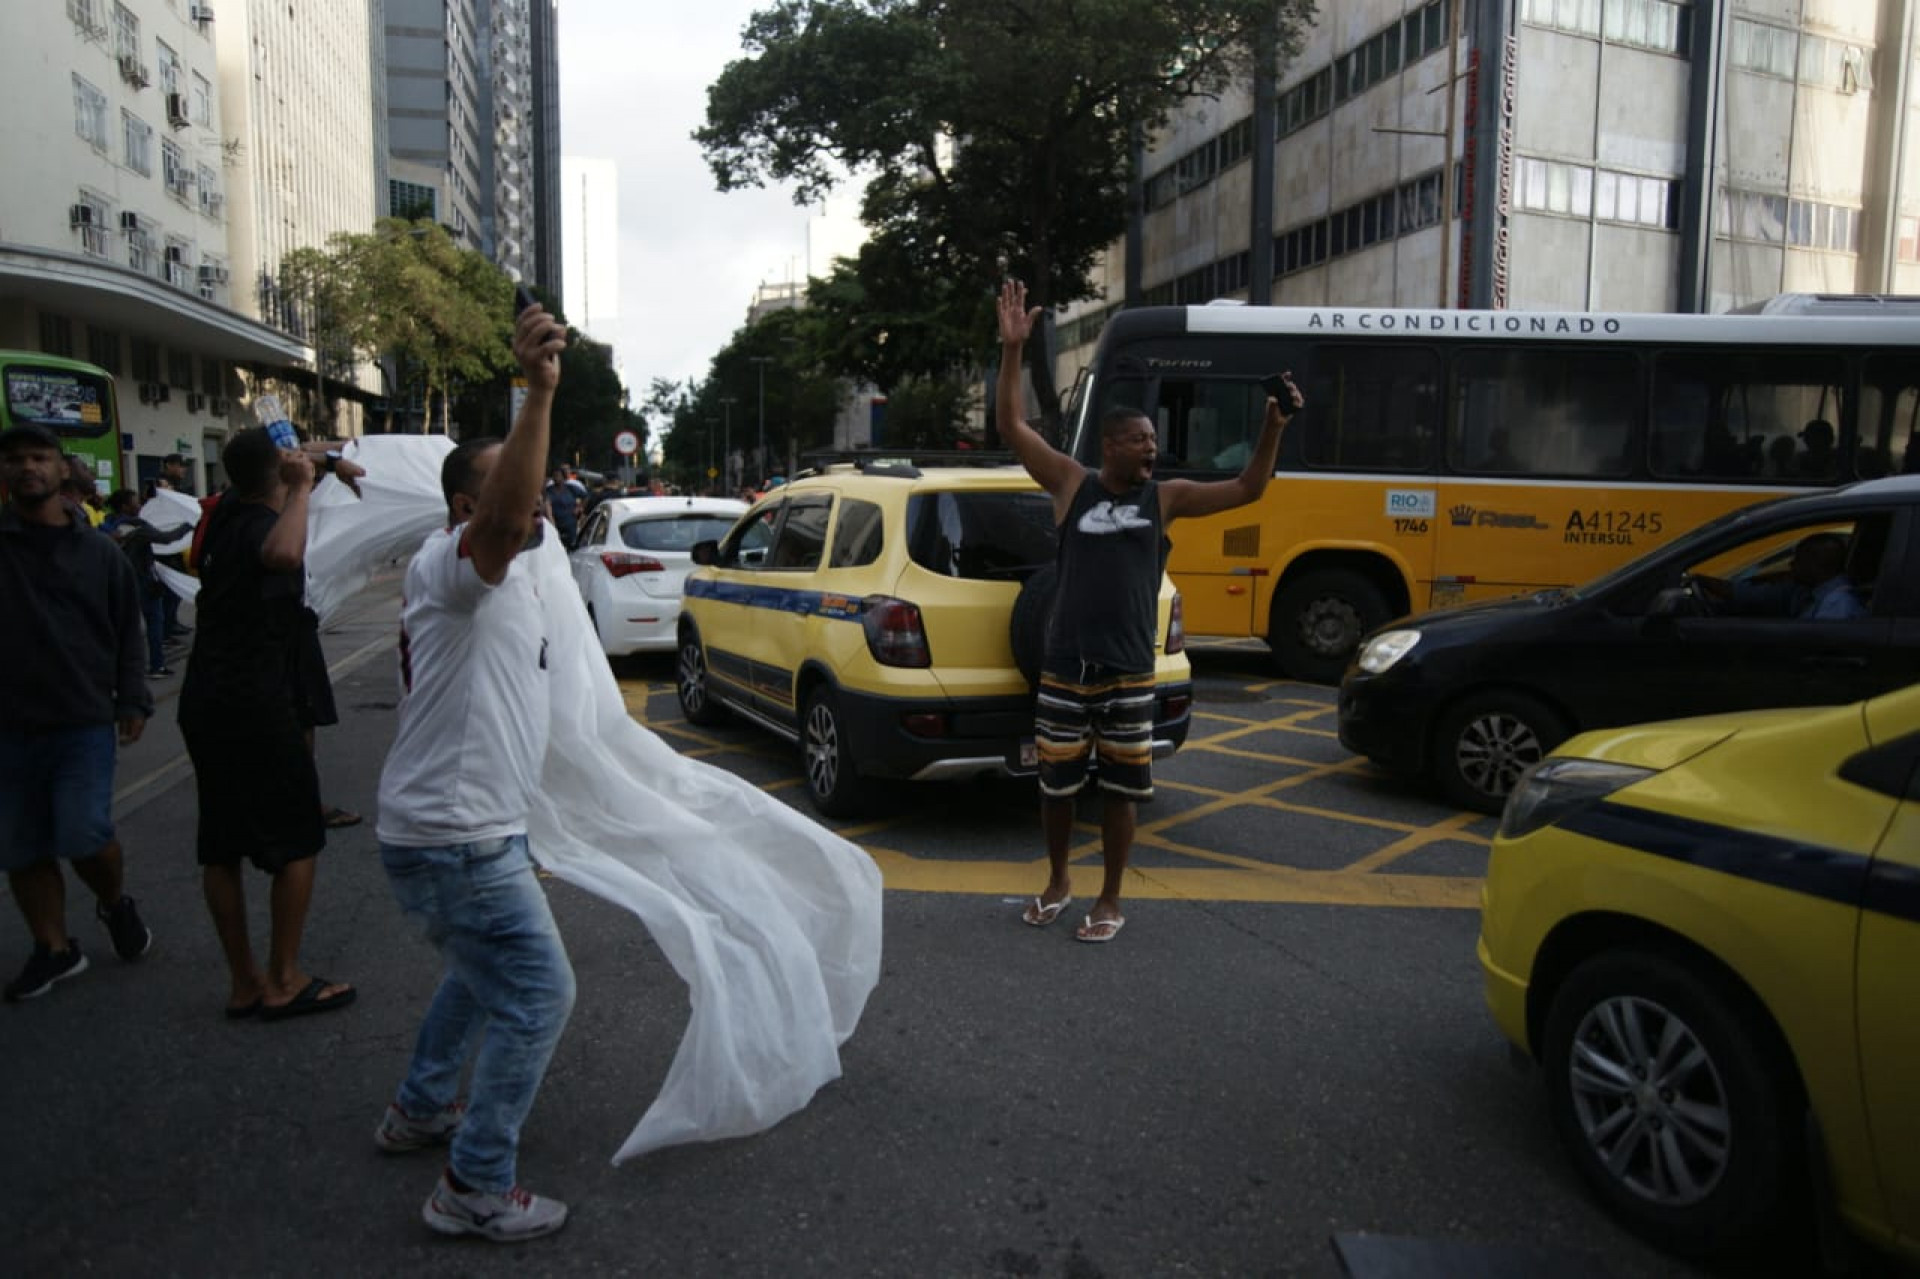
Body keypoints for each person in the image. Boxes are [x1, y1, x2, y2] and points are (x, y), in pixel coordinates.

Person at [995, 279, 1302, 943]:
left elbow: (1249, 487)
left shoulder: (1167, 498)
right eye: (1140, 440)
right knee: (1055, 786)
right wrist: (1013, 351)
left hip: (1131, 669)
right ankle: (1057, 880)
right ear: (1111, 444)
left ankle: (1109, 898)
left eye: (1153, 441)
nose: (1152, 448)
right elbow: (1012, 426)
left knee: (1124, 790)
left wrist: (1271, 428)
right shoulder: (1070, 484)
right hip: (1064, 665)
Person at [373, 303, 574, 1241]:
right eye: (511, 491)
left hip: (472, 830)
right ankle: (475, 1183)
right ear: (466, 508)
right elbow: (502, 521)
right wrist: (534, 392)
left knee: (474, 972)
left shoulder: (524, 569)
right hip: (455, 839)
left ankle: (420, 1107)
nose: (534, 501)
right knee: (538, 995)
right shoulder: (454, 564)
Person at [178, 429, 356, 1022]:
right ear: (278, 478)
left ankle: (244, 982)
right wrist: (303, 488)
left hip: (206, 699)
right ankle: (284, 978)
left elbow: (275, 465)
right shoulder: (268, 529)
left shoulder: (225, 514)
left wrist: (326, 462)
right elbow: (283, 555)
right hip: (257, 702)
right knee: (299, 839)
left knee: (222, 845)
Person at [0, 424, 154, 1002]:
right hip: (9, 723)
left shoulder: (97, 552)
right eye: (15, 460)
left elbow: (127, 629)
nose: (27, 468)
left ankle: (114, 902)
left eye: (39, 457)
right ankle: (55, 948)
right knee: (22, 846)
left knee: (84, 833)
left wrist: (133, 698)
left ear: (63, 468)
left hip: (82, 718)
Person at [101, 489, 193, 678]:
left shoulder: (111, 524)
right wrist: (190, 522)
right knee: (154, 622)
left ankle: (119, 669)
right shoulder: (138, 528)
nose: (139, 505)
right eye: (135, 502)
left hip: (121, 580)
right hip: (143, 580)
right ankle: (157, 666)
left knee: (126, 626)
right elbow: (168, 538)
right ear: (125, 506)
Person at [1690, 531, 1866, 620]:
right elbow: (1746, 594)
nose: (1791, 565)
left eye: (1798, 560)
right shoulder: (1802, 592)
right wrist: (1697, 579)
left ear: (1816, 564)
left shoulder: (1838, 605)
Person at [543, 464, 579, 547]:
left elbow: (585, 497)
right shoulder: (549, 491)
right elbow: (548, 507)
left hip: (570, 525)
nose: (556, 478)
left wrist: (578, 508)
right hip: (556, 524)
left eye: (558, 476)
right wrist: (553, 525)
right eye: (554, 476)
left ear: (563, 477)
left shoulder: (571, 488)